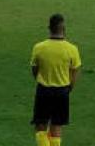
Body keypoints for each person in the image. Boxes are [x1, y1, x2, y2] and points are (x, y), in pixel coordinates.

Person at [30, 14, 81, 146]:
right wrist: (69, 88)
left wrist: (41, 79)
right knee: (56, 127)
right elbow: (74, 72)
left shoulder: (39, 47)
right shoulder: (72, 49)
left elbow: (34, 69)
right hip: (62, 91)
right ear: (64, 29)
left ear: (49, 28)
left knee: (41, 126)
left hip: (44, 90)